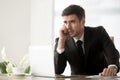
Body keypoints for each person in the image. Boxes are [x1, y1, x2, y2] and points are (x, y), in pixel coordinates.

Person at [54, 4, 120, 76]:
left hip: (100, 77)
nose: (68, 27)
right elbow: (58, 71)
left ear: (82, 21)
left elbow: (112, 52)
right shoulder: (61, 40)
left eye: (72, 22)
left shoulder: (99, 32)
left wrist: (112, 67)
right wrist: (61, 42)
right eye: (65, 22)